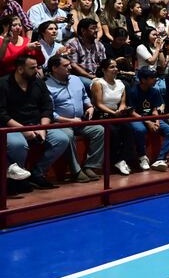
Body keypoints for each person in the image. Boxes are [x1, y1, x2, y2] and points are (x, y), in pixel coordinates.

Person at [1, 55, 69, 194]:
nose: (37, 70)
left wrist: (43, 128)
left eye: (37, 66)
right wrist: (24, 130)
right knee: (18, 145)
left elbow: (47, 106)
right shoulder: (3, 84)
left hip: (37, 125)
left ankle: (36, 174)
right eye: (32, 68)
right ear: (20, 69)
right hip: (11, 127)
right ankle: (17, 181)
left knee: (61, 139)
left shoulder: (38, 82)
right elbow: (1, 114)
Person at [45, 54, 104, 183]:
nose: (70, 67)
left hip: (80, 121)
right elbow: (50, 113)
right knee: (68, 135)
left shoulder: (76, 79)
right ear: (54, 68)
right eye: (65, 66)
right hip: (60, 124)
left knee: (99, 130)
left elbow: (84, 96)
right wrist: (69, 121)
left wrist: (89, 106)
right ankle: (76, 171)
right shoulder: (47, 86)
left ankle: (91, 166)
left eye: (69, 64)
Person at [127, 67, 169, 172]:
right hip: (137, 118)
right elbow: (132, 112)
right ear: (143, 80)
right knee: (140, 130)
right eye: (152, 78)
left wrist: (157, 121)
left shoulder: (154, 91)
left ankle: (160, 159)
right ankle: (142, 156)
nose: (155, 80)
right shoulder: (133, 91)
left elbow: (154, 109)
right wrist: (148, 122)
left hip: (151, 118)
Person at [91, 58, 134, 175]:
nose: (115, 69)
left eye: (116, 67)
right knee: (113, 132)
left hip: (116, 114)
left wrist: (120, 110)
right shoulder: (98, 83)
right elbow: (98, 104)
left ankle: (124, 159)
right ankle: (116, 160)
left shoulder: (121, 84)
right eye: (112, 67)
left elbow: (123, 103)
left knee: (129, 129)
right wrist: (113, 113)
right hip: (102, 115)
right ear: (104, 70)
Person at [65, 19, 106, 89]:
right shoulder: (73, 43)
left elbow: (103, 63)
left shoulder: (99, 45)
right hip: (80, 76)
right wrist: (88, 75)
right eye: (92, 28)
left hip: (97, 75)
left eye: (96, 28)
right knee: (94, 85)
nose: (96, 30)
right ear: (83, 30)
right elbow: (73, 65)